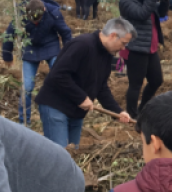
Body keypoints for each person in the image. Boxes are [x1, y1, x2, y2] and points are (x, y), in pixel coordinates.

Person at [35, 18, 133, 148]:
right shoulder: (82, 45)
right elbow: (58, 75)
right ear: (113, 35)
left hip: (76, 112)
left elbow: (101, 87)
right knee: (59, 155)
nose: (123, 48)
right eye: (123, 43)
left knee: (73, 154)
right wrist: (81, 97)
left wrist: (118, 111)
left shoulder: (106, 55)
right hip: (56, 107)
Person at [3, 0, 72, 124]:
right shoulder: (21, 13)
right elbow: (9, 33)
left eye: (37, 20)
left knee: (60, 78)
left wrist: (68, 55)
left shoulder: (54, 13)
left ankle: (62, 114)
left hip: (50, 44)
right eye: (32, 20)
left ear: (44, 10)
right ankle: (24, 122)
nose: (35, 22)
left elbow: (66, 33)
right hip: (30, 47)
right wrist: (7, 54)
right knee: (27, 87)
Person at [118, 0, 165, 119]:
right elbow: (142, 14)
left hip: (150, 46)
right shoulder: (126, 0)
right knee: (136, 84)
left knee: (157, 80)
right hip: (136, 47)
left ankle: (143, 108)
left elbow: (160, 12)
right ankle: (132, 115)